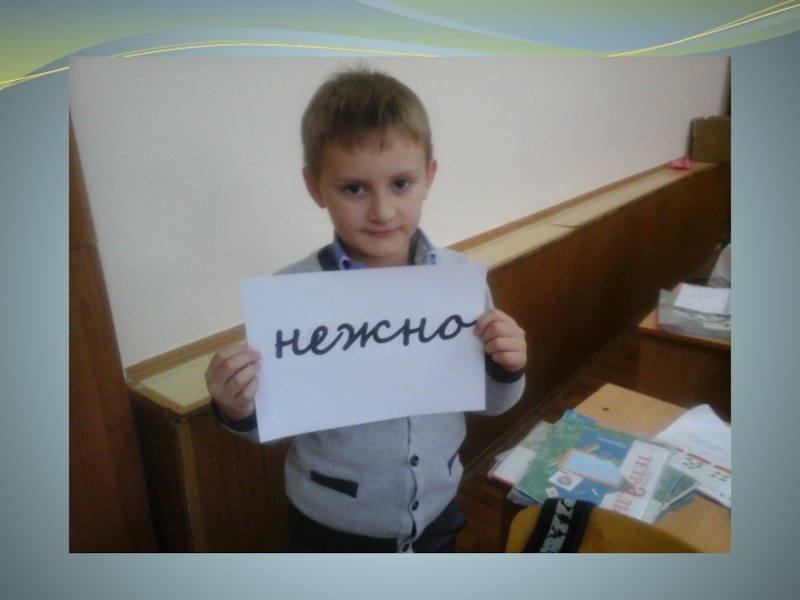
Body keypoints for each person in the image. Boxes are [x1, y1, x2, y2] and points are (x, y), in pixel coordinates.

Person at [205, 67, 527, 553]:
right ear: (316, 187)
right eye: (354, 188)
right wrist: (236, 407)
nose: (381, 211)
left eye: (400, 183)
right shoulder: (290, 296)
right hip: (331, 522)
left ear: (429, 177)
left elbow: (494, 403)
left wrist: (509, 366)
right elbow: (271, 422)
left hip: (438, 507)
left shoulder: (458, 281)